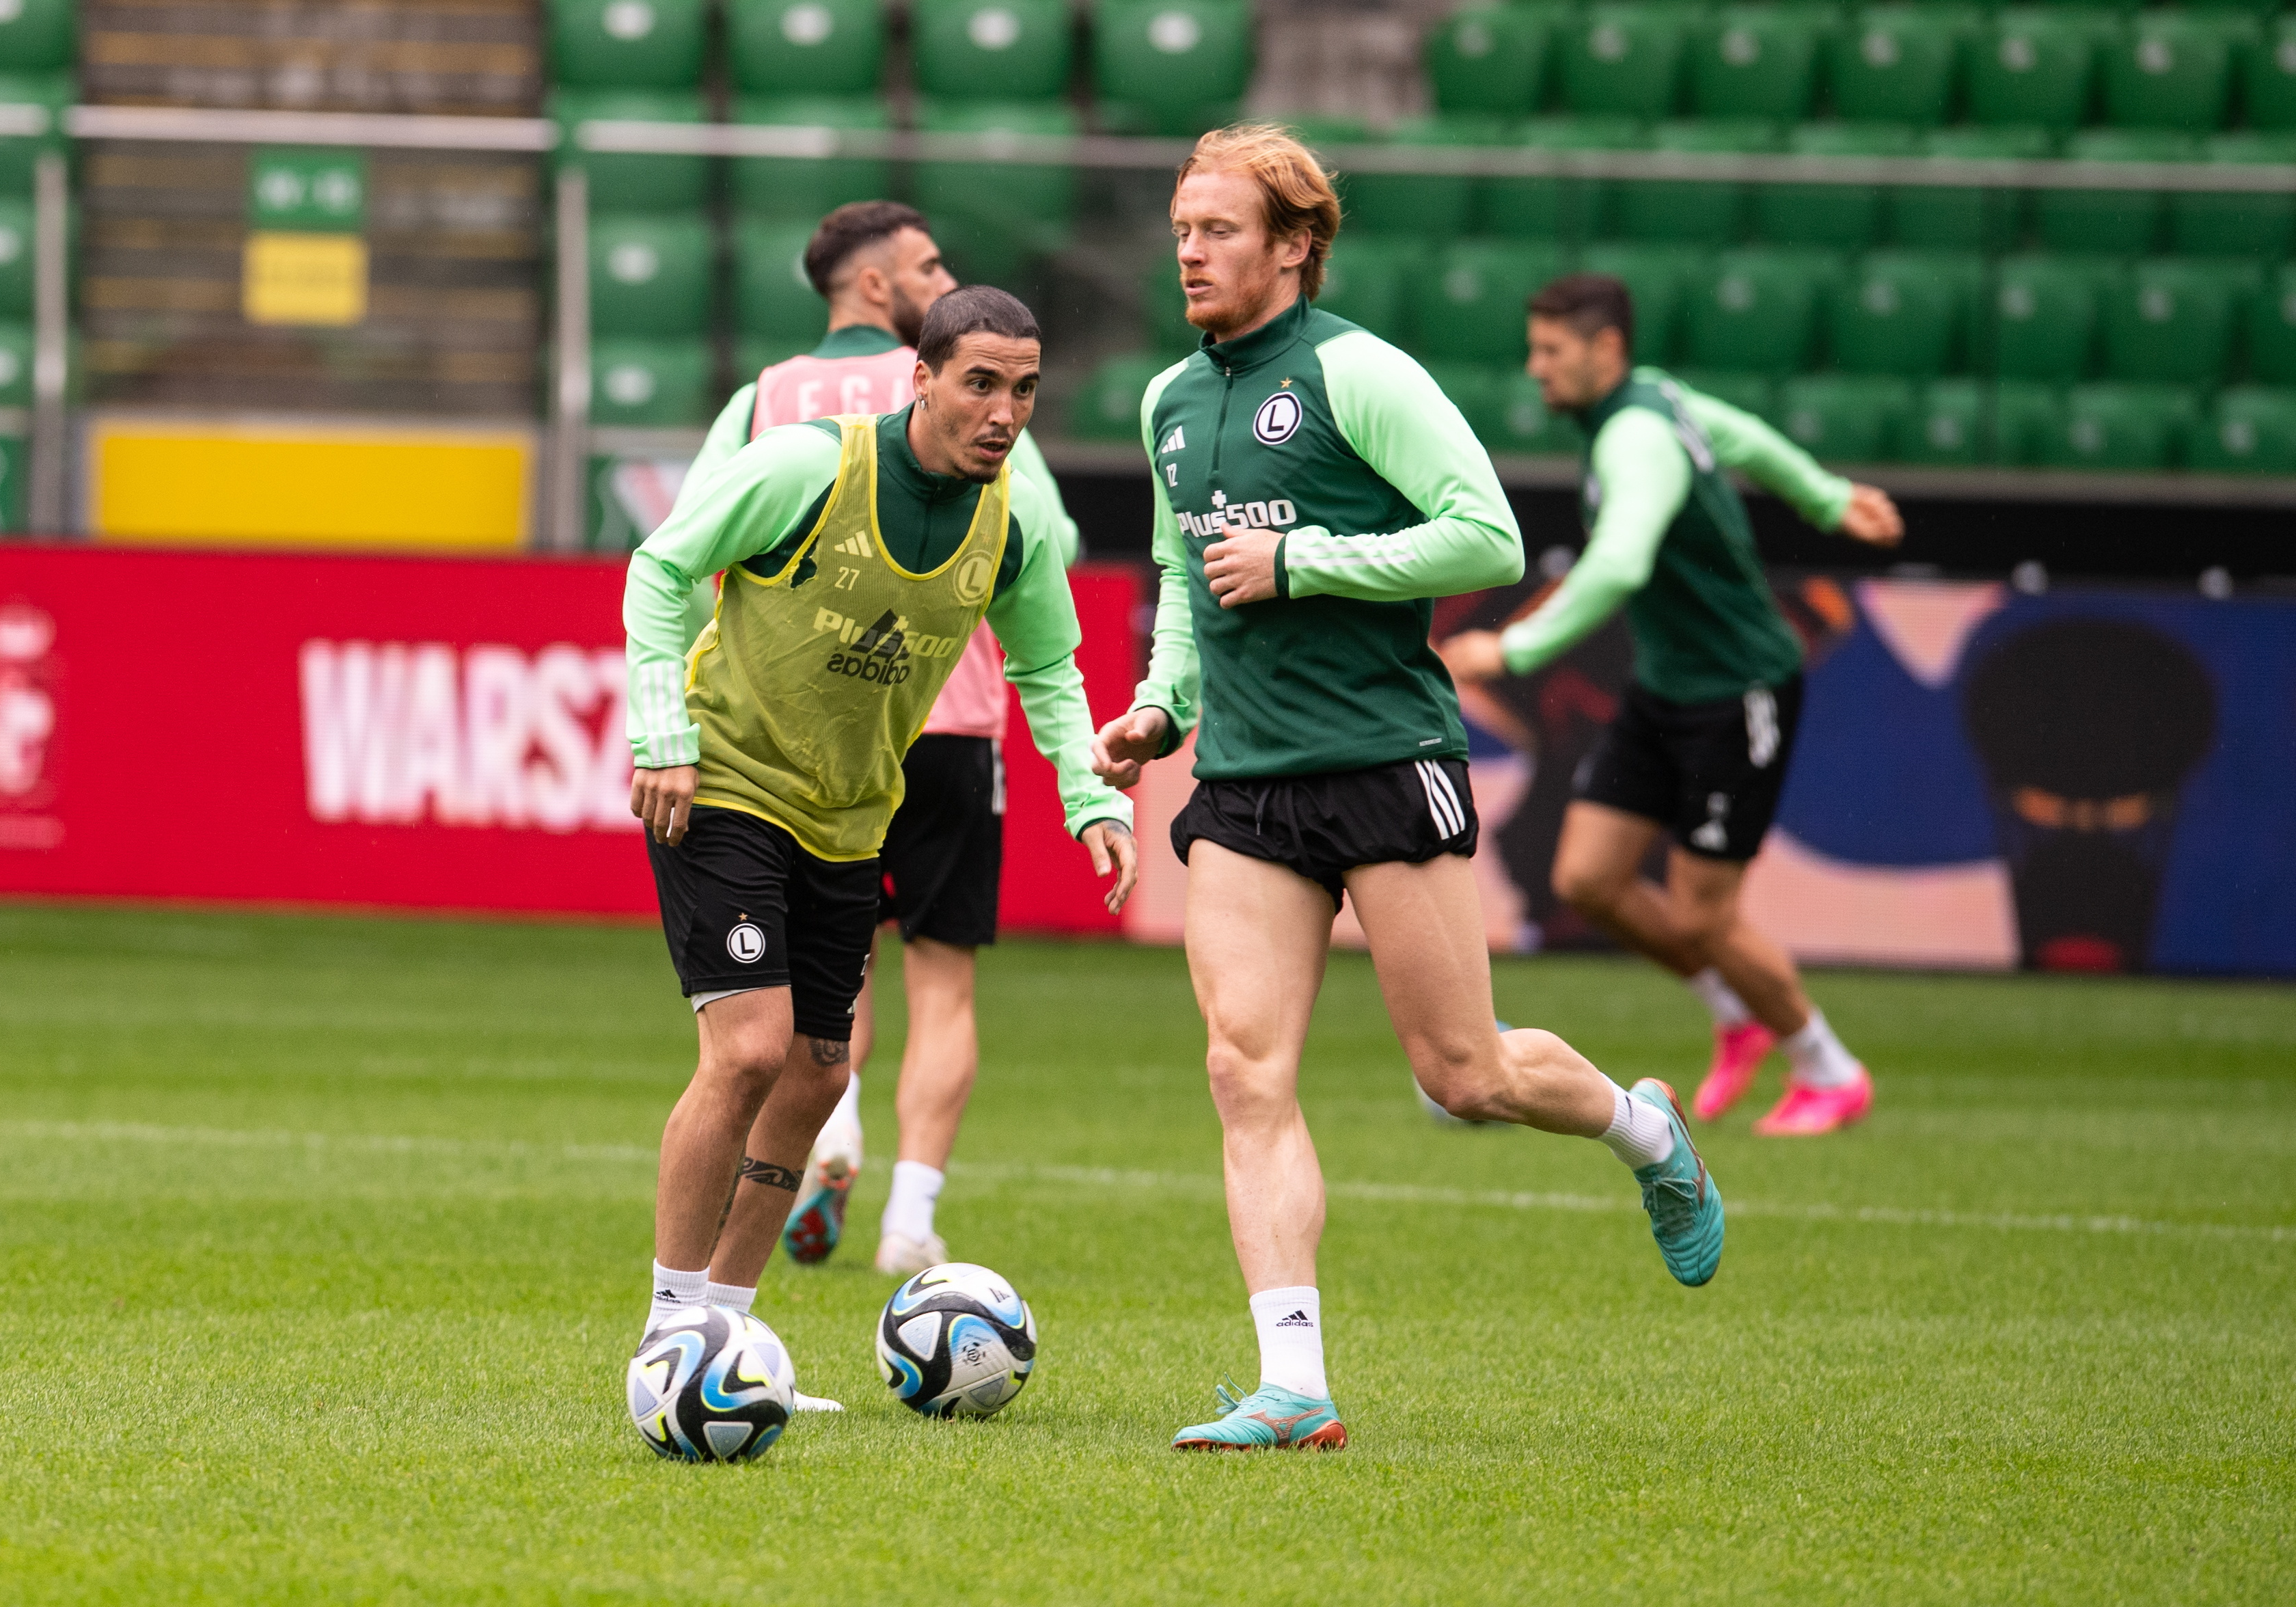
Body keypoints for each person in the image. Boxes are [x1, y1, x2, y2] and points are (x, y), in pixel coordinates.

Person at [1089, 126, 1725, 1455]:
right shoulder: (1165, 402)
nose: (1188, 250)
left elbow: (1483, 532)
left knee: (1464, 1073)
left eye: (1215, 229)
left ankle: (1642, 1128)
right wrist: (1161, 706)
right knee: (1238, 1063)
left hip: (1381, 763)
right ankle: (1292, 1381)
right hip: (1245, 781)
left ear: (1293, 244)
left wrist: (1304, 557)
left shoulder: (1356, 372)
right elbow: (1179, 580)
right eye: (1178, 228)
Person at [625, 286, 1137, 1411]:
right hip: (728, 785)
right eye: (981, 383)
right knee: (750, 1048)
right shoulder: (810, 468)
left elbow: (1047, 669)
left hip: (853, 818)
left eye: (1025, 390)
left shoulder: (1011, 528)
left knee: (819, 1068)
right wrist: (660, 734)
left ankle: (729, 1332)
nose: (1005, 412)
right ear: (920, 378)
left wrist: (1091, 800)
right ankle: (670, 1335)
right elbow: (661, 567)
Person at [678, 202, 1084, 1278]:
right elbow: (1051, 537)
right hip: (949, 724)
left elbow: (686, 530)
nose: (1002, 408)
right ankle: (910, 1215)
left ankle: (835, 1132)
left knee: (825, 1007)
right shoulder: (961, 400)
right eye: (928, 264)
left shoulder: (766, 396)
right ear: (877, 290)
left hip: (826, 742)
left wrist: (665, 707)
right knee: (938, 983)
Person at [1436, 273, 1905, 1137]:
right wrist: (1826, 497)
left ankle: (1829, 1069)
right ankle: (1733, 1012)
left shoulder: (1635, 439)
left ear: (1604, 348)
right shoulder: (1659, 403)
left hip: (1739, 690)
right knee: (1587, 878)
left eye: (1550, 351)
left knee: (1702, 912)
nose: (1533, 369)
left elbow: (1617, 563)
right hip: (1666, 685)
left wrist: (1512, 650)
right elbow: (1749, 438)